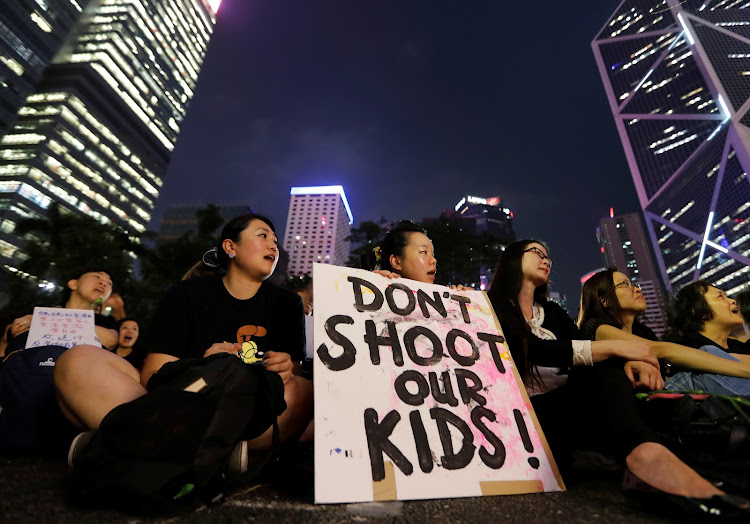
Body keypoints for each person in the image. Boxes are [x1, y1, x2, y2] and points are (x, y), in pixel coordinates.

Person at [54, 213, 313, 467]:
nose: (273, 245)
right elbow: (153, 375)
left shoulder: (287, 304)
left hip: (244, 412)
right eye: (263, 235)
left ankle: (130, 444)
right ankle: (216, 454)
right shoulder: (186, 294)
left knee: (303, 391)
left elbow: (292, 376)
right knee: (77, 359)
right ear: (230, 247)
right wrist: (208, 368)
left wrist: (284, 367)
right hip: (175, 407)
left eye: (276, 240)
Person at [485, 240, 727, 501]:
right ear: (513, 259)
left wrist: (631, 361)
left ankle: (652, 455)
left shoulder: (552, 311)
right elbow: (532, 350)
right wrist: (618, 350)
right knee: (605, 358)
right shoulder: (492, 305)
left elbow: (585, 350)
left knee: (604, 365)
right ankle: (647, 458)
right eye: (537, 253)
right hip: (525, 415)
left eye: (548, 257)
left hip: (571, 407)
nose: (545, 260)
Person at [578, 269, 750, 396]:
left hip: (659, 394)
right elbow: (659, 350)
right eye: (625, 285)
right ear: (605, 300)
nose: (637, 289)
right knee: (707, 353)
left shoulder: (644, 332)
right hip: (626, 405)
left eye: (634, 284)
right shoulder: (597, 328)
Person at [0, 270, 118, 454]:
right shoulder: (38, 310)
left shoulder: (106, 321)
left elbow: (110, 340)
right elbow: (15, 331)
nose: (104, 283)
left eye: (109, 283)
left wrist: (42, 321)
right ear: (73, 284)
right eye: (97, 277)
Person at [661, 281, 750, 395]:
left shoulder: (739, 346)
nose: (732, 301)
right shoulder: (688, 351)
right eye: (720, 297)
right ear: (701, 311)